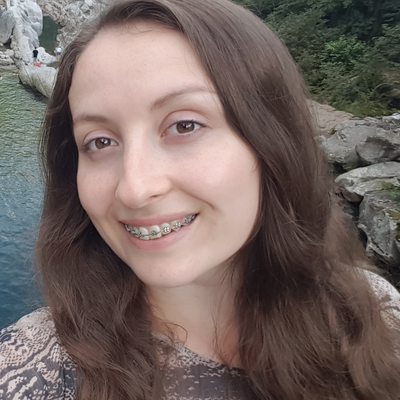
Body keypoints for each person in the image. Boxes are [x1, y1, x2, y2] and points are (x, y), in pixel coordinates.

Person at [1, 0, 400, 399]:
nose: (135, 188)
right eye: (100, 142)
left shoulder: (374, 312)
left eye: (184, 125)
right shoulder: (28, 374)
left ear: (275, 141)